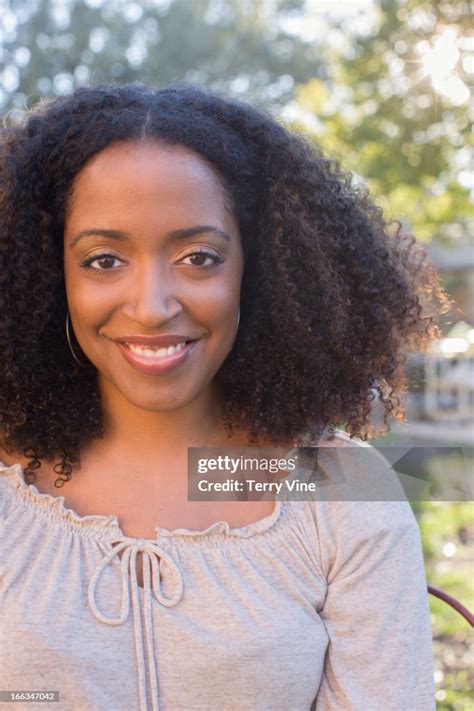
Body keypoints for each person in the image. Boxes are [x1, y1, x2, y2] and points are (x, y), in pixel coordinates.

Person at [0, 81, 447, 710]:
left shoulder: (332, 494)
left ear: (257, 269)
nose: (152, 307)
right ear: (47, 274)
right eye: (103, 260)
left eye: (199, 256)